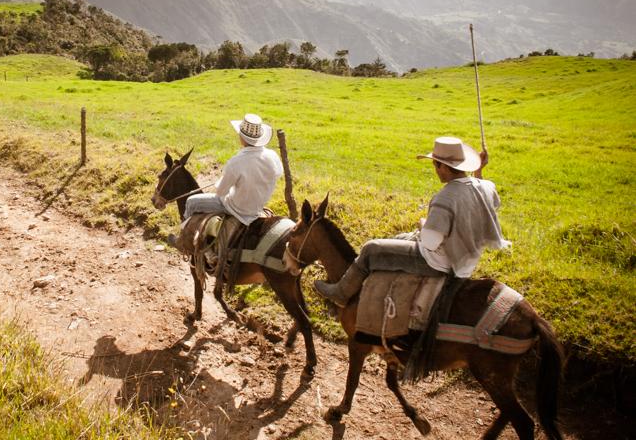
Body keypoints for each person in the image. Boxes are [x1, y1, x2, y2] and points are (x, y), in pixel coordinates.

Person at [314, 136, 510, 307]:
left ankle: (340, 293)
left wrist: (423, 224)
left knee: (371, 248)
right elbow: (487, 199)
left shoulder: (445, 197)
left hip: (439, 262)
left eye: (435, 164)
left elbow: (430, 243)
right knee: (399, 237)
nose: (435, 170)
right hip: (468, 258)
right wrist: (479, 171)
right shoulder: (486, 187)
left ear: (441, 166)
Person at [183, 113, 284, 226]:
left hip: (236, 209)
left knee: (191, 202)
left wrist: (221, 181)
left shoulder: (236, 162)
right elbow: (278, 174)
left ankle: (183, 236)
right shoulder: (273, 156)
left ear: (242, 137)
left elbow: (221, 192)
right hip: (257, 207)